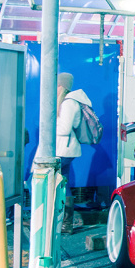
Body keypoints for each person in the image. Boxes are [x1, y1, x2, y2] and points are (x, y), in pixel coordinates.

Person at [55, 72, 94, 234]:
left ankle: (65, 222)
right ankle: (65, 222)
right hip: (64, 148)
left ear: (61, 86)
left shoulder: (69, 103)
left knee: (60, 183)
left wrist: (48, 127)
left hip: (64, 149)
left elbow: (64, 128)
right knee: (64, 183)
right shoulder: (67, 102)